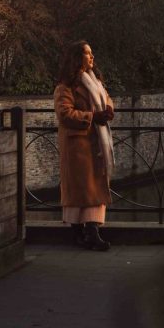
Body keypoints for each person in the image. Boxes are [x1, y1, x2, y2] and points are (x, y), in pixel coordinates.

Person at [54, 40, 115, 251]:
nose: (92, 57)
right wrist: (93, 117)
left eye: (91, 53)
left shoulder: (95, 81)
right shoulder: (65, 86)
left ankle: (89, 231)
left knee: (93, 188)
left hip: (95, 143)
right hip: (78, 146)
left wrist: (108, 109)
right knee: (83, 190)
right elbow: (64, 114)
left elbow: (106, 97)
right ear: (77, 58)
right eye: (88, 53)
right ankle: (85, 232)